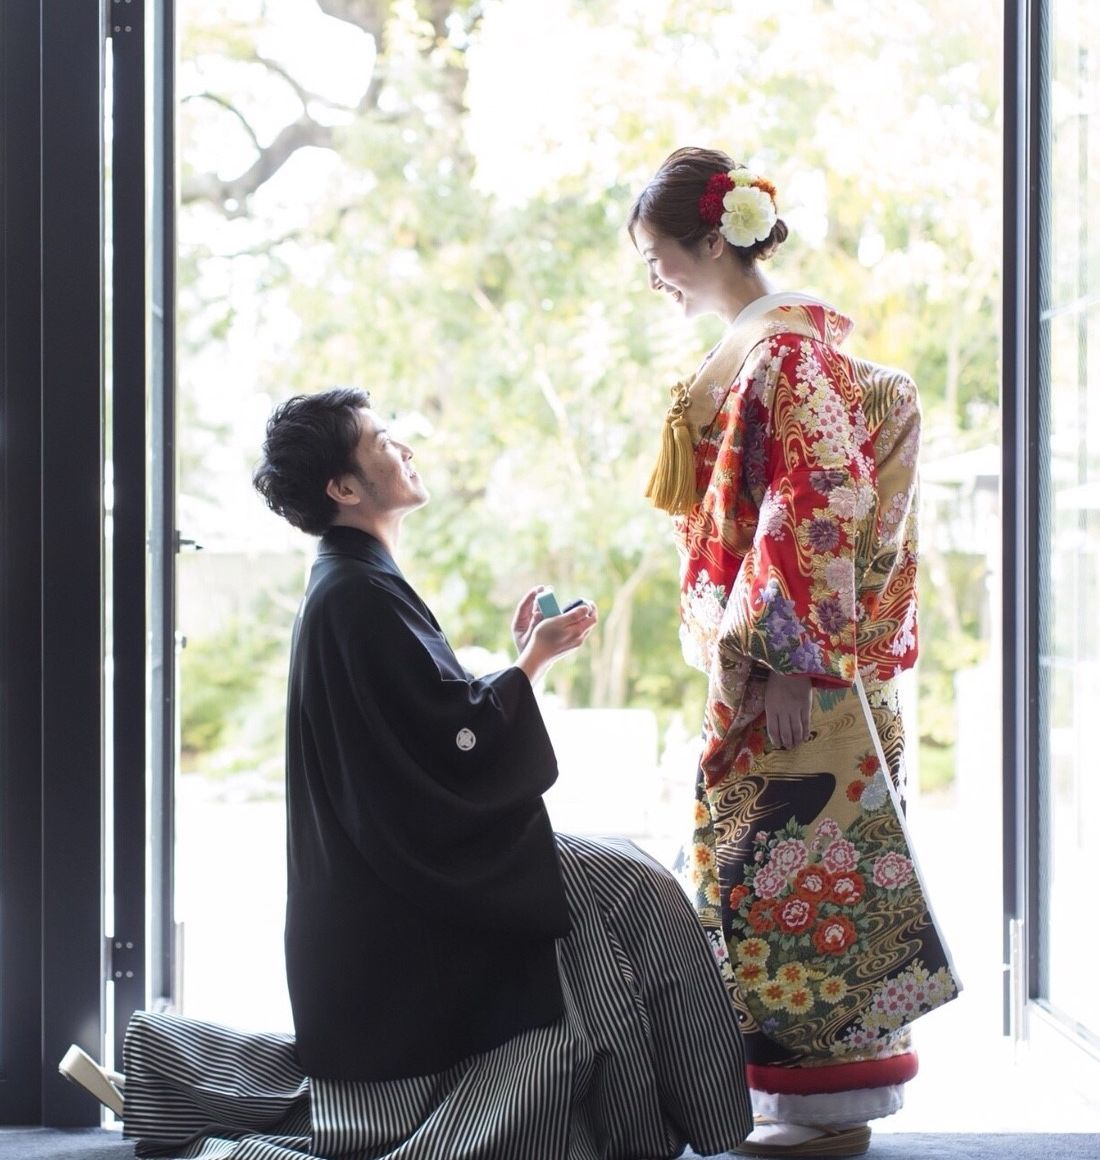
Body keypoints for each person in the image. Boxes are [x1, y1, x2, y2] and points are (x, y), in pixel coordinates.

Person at [60, 385, 753, 1160]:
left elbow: (434, 725)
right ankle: (703, 1124)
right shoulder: (354, 592)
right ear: (344, 488)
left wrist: (523, 661)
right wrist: (530, 662)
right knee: (630, 891)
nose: (404, 448)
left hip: (398, 864)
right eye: (382, 441)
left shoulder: (355, 583)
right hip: (400, 881)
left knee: (623, 892)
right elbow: (448, 741)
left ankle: (681, 1125)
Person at [627, 147, 961, 1158]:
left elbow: (821, 496)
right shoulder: (771, 348)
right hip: (789, 655)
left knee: (799, 869)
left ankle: (825, 1113)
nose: (651, 275)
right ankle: (793, 1104)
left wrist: (786, 660)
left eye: (654, 253)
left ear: (706, 240)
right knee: (770, 869)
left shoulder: (784, 353)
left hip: (797, 669)